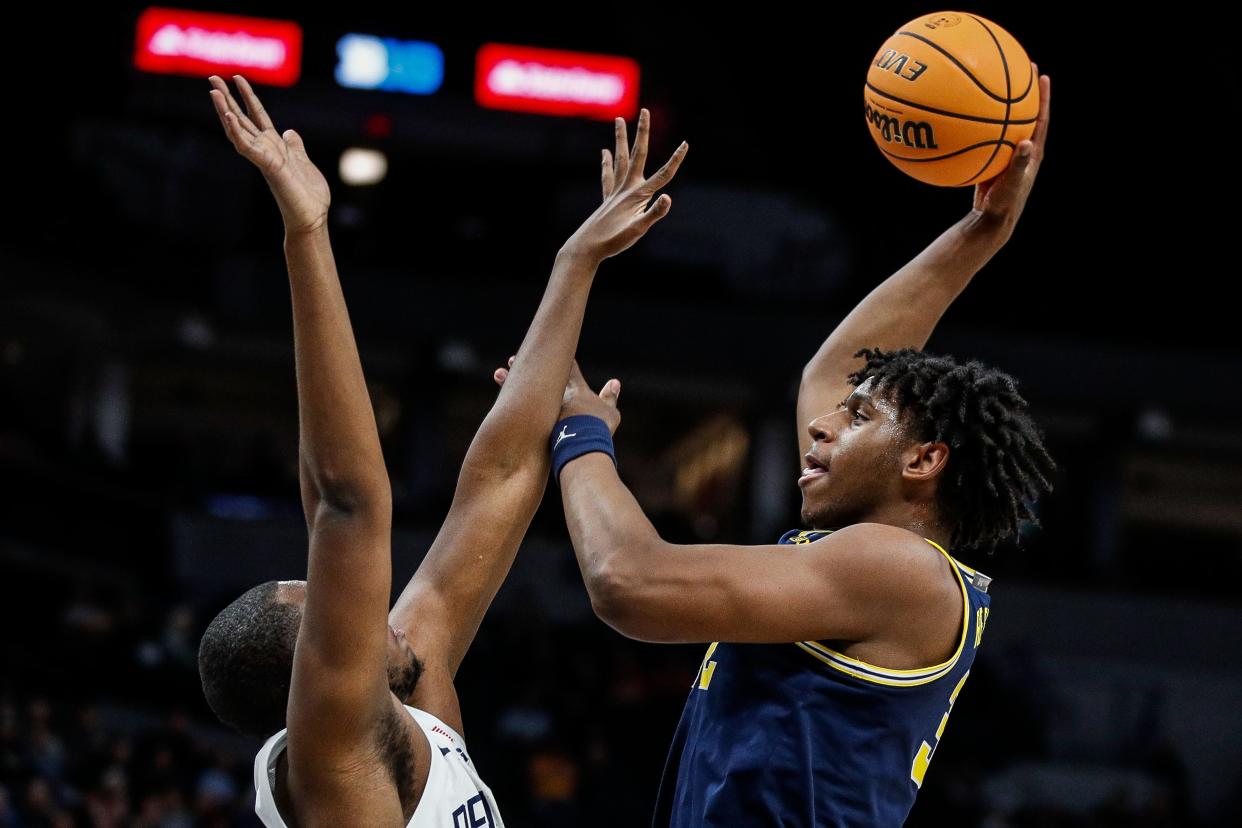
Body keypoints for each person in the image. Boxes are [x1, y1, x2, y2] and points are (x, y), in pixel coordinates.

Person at [541, 67, 1054, 826]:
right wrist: (979, 234)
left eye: (857, 419)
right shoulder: (888, 565)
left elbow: (627, 582)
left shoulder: (897, 567)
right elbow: (834, 372)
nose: (820, 423)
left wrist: (581, 432)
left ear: (923, 460)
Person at [194, 75, 686, 826]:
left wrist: (576, 262)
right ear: (313, 680)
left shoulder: (408, 696)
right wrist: (307, 236)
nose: (371, 612)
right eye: (336, 615)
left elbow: (499, 480)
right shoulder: (330, 760)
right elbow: (344, 503)